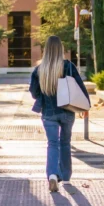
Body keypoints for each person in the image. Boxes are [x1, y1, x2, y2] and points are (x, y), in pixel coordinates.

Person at [30, 35, 91, 192]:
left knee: (52, 144)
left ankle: (52, 175)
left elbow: (34, 93)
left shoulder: (39, 69)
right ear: (61, 49)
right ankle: (65, 175)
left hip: (48, 113)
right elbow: (80, 87)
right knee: (65, 143)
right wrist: (85, 107)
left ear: (46, 50)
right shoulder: (68, 66)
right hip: (67, 111)